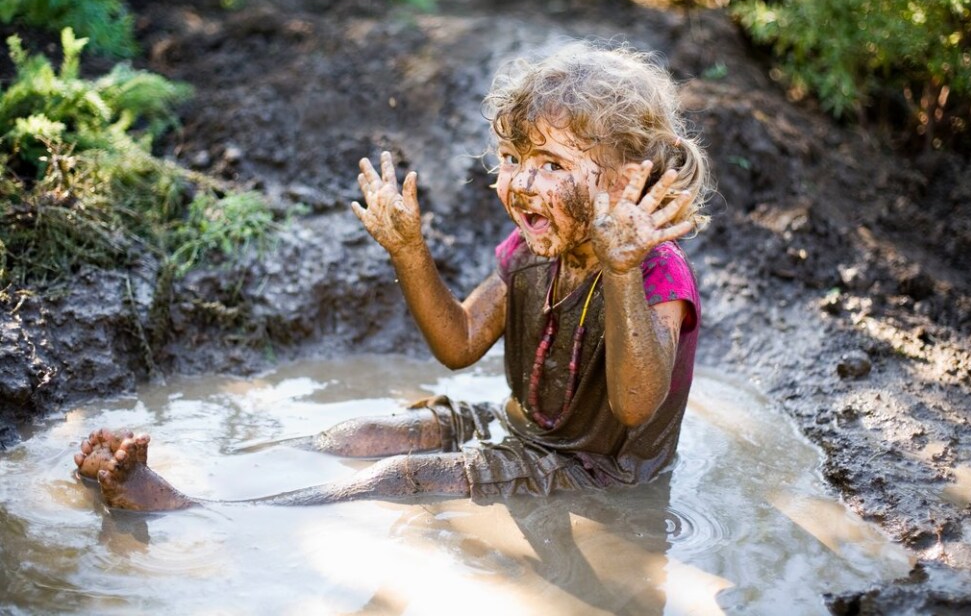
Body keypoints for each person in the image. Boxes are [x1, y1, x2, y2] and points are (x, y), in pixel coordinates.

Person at [73, 41, 711, 511]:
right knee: (366, 433)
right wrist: (410, 251)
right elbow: (459, 345)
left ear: (627, 181)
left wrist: (622, 269)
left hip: (598, 473)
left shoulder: (658, 275)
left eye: (548, 162)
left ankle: (190, 509)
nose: (519, 181)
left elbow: (633, 406)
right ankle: (199, 468)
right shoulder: (533, 250)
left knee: (397, 477)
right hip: (522, 429)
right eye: (512, 158)